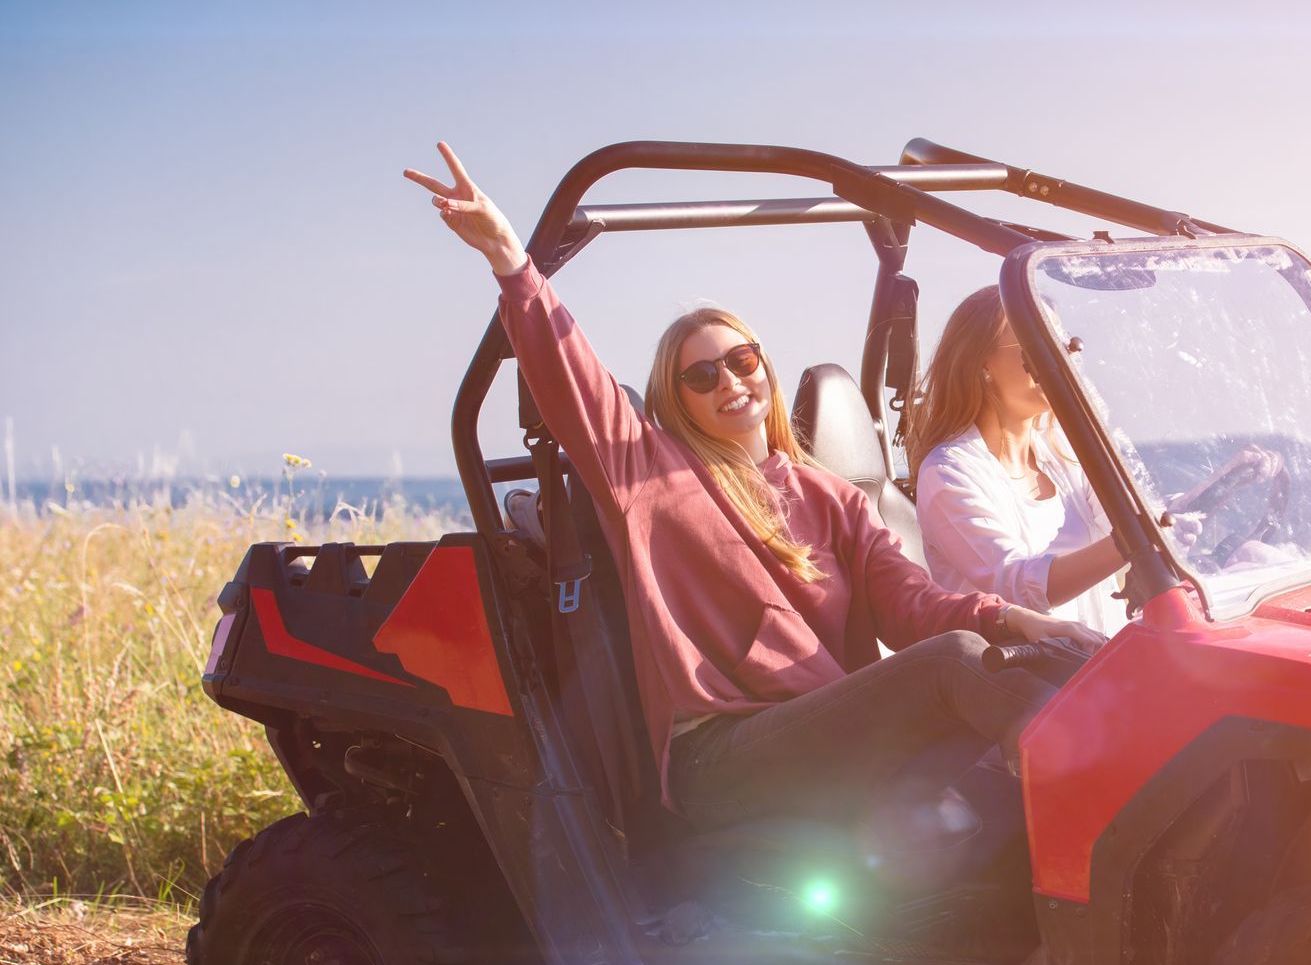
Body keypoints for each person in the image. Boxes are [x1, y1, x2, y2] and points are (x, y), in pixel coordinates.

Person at [403, 144, 1099, 831]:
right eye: (701, 376)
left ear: (764, 365)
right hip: (722, 752)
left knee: (1055, 654)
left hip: (827, 728)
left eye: (740, 361)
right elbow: (575, 387)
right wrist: (509, 259)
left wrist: (1019, 621)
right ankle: (1096, 784)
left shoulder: (834, 498)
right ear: (677, 400)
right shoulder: (652, 477)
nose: (730, 383)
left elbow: (914, 607)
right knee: (955, 667)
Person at [905, 287, 1131, 637]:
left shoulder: (1068, 454)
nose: (1057, 361)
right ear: (983, 363)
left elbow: (1123, 523)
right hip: (1024, 678)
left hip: (1107, 662)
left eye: (1063, 346)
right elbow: (1014, 586)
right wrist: (1134, 540)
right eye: (1036, 348)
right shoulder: (948, 474)